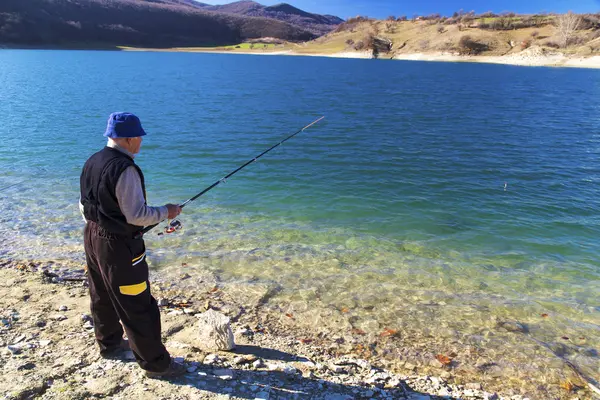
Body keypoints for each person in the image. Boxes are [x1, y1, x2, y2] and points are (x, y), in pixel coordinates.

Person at [79, 112, 185, 378]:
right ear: (128, 138)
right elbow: (136, 215)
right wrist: (167, 211)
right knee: (137, 304)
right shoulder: (124, 169)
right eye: (139, 137)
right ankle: (156, 365)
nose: (141, 143)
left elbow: (83, 205)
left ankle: (110, 344)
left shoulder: (93, 160)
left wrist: (100, 227)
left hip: (92, 236)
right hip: (118, 246)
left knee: (101, 293)